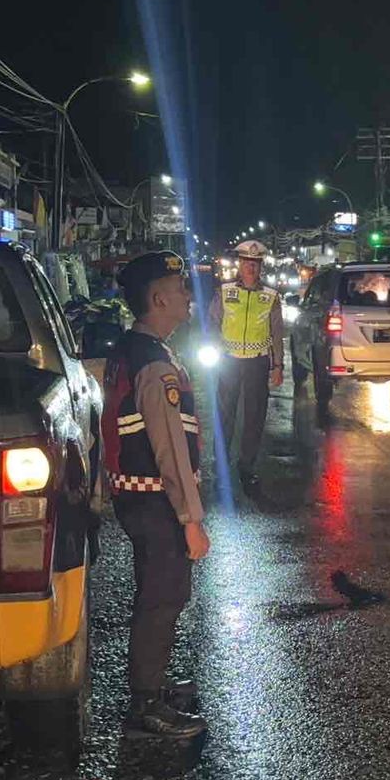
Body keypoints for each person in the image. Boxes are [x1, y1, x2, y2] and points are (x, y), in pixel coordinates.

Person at [102, 250, 211, 738]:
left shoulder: (136, 348)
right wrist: (191, 518)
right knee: (162, 597)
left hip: (139, 496)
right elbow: (170, 449)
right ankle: (145, 706)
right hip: (154, 499)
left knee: (160, 592)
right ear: (159, 298)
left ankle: (155, 684)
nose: (189, 297)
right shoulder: (154, 364)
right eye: (181, 288)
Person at [209, 239, 283, 487]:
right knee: (224, 413)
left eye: (255, 263)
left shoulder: (270, 296)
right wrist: (212, 349)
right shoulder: (225, 291)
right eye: (246, 263)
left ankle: (247, 465)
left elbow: (276, 332)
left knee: (254, 416)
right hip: (228, 361)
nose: (250, 267)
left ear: (260, 266)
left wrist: (278, 366)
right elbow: (212, 324)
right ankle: (220, 463)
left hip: (257, 362)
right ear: (239, 264)